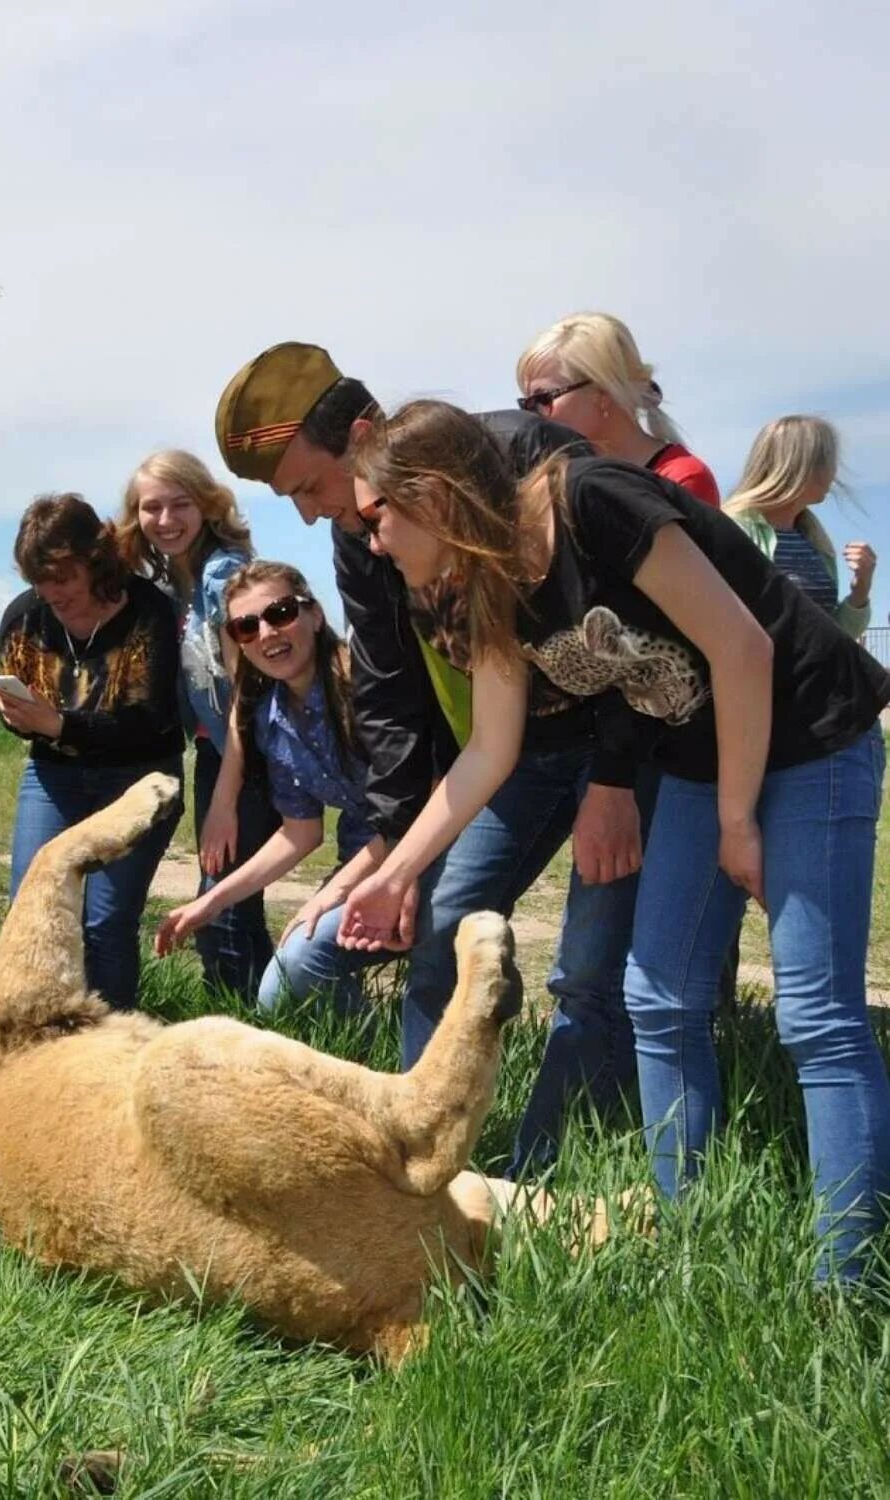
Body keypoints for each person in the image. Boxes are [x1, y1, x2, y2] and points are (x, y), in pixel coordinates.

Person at [342, 399, 890, 1282]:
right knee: (659, 998)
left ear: (435, 495)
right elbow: (489, 750)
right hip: (696, 759)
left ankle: (844, 1287)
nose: (371, 541)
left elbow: (742, 648)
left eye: (378, 516)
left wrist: (737, 819)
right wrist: (396, 875)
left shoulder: (591, 500)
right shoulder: (488, 587)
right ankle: (691, 1246)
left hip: (809, 733)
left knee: (816, 1015)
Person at [215, 341, 638, 1172]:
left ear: (368, 438)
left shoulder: (532, 460)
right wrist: (397, 858)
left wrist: (617, 778)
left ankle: (543, 1171)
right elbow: (388, 702)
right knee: (442, 930)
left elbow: (635, 642)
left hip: (630, 741)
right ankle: (421, 1158)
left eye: (308, 486)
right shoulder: (358, 541)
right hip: (511, 749)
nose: (310, 516)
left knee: (587, 968)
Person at [153, 563, 395, 1015]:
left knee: (300, 966)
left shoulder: (367, 687)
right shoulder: (273, 718)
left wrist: (329, 894)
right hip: (367, 856)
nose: (266, 633)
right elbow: (300, 832)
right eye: (246, 626)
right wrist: (210, 902)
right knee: (286, 986)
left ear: (315, 615)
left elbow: (409, 812)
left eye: (280, 613)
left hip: (427, 850)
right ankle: (365, 1057)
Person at [0, 493, 183, 1008]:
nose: (52, 592)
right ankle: (37, 1035)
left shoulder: (148, 611)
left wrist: (58, 723)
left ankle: (111, 1043)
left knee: (105, 920)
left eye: (63, 577)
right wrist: (20, 718)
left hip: (139, 777)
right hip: (55, 775)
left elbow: (149, 721)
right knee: (32, 907)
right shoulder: (24, 619)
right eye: (39, 580)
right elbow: (25, 715)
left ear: (94, 560)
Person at [122, 448, 277, 998]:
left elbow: (246, 697)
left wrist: (225, 802)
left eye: (179, 504)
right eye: (151, 508)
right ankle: (275, 1020)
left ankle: (236, 1039)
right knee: (236, 906)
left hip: (252, 755)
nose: (165, 520)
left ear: (208, 504)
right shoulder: (174, 580)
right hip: (219, 753)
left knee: (222, 909)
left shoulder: (223, 577)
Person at [516, 312, 719, 505]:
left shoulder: (682, 479)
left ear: (602, 393)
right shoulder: (548, 489)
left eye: (541, 399)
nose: (532, 416)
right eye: (526, 405)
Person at [725, 415, 875, 638]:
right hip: (754, 671)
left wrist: (860, 591)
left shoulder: (813, 537)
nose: (834, 475)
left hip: (812, 672)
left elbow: (832, 637)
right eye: (830, 462)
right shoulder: (732, 527)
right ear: (805, 466)